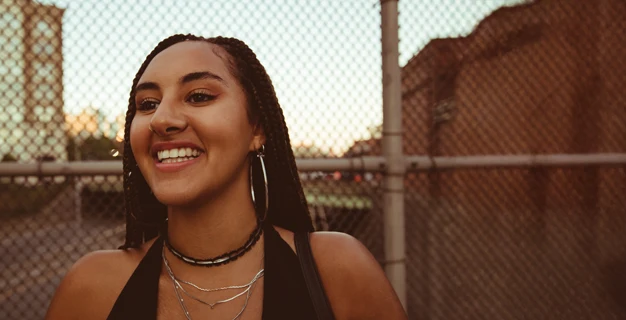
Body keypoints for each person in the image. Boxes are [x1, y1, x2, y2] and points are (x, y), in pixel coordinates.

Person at [46, 34, 406, 319]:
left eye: (199, 96)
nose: (161, 119)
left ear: (257, 129)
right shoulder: (92, 288)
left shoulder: (338, 271)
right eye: (147, 104)